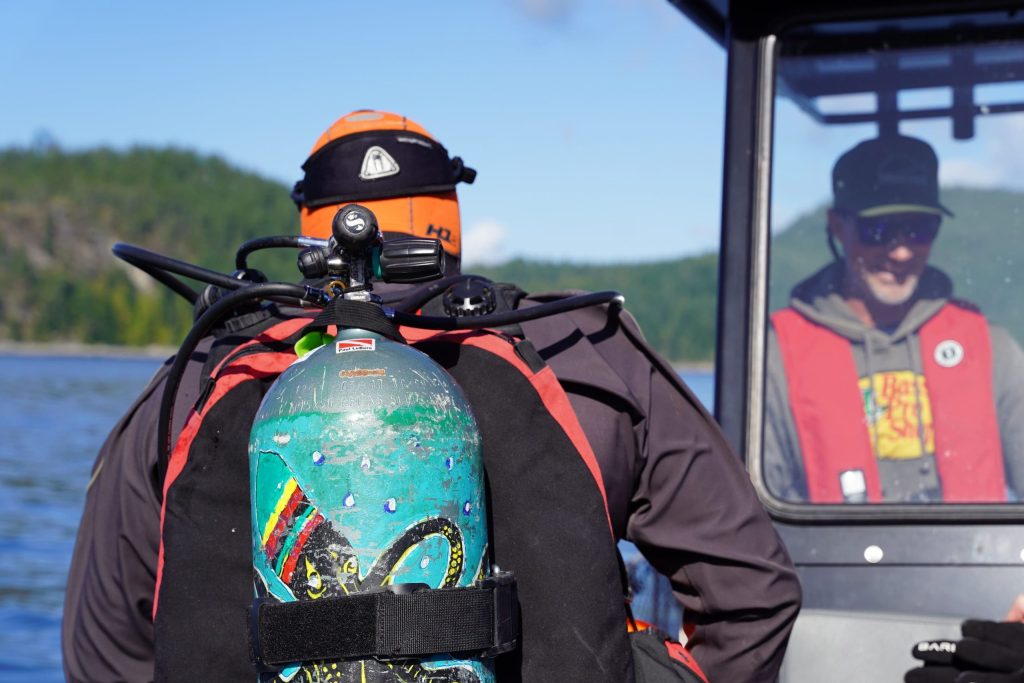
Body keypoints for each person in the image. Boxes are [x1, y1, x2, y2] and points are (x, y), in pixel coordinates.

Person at [62, 110, 801, 682]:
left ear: (310, 228)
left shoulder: (197, 377)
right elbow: (754, 592)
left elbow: (101, 652)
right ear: (448, 217)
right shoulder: (583, 349)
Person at [764, 134, 1024, 504]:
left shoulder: (992, 348)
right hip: (828, 561)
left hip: (972, 560)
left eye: (919, 228)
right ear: (837, 226)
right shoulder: (774, 358)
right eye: (878, 230)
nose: (901, 251)